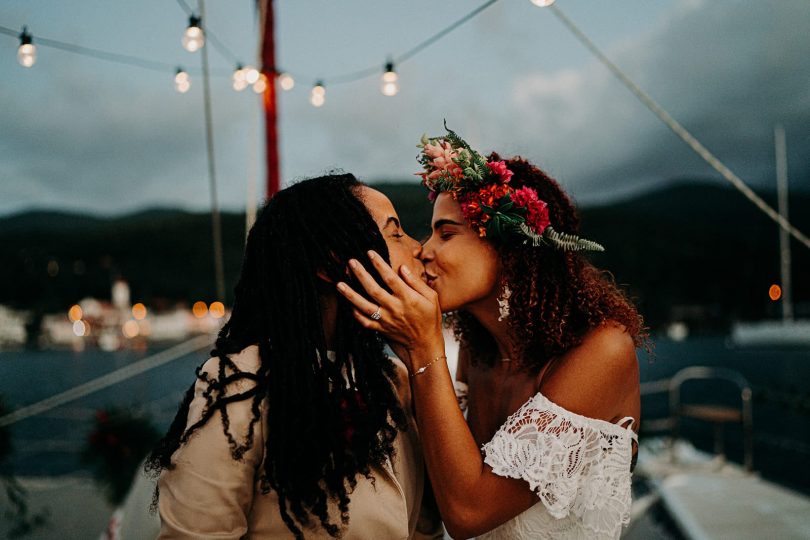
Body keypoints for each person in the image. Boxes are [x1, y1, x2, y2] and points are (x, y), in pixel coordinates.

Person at [337, 127, 647, 539]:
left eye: (446, 233)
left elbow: (468, 514)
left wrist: (423, 349)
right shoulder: (477, 350)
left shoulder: (602, 350)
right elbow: (439, 491)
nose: (425, 250)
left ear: (509, 248)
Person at [146, 173, 442, 539]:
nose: (421, 248)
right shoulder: (242, 382)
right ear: (332, 260)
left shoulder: (393, 379)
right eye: (395, 232)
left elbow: (425, 528)